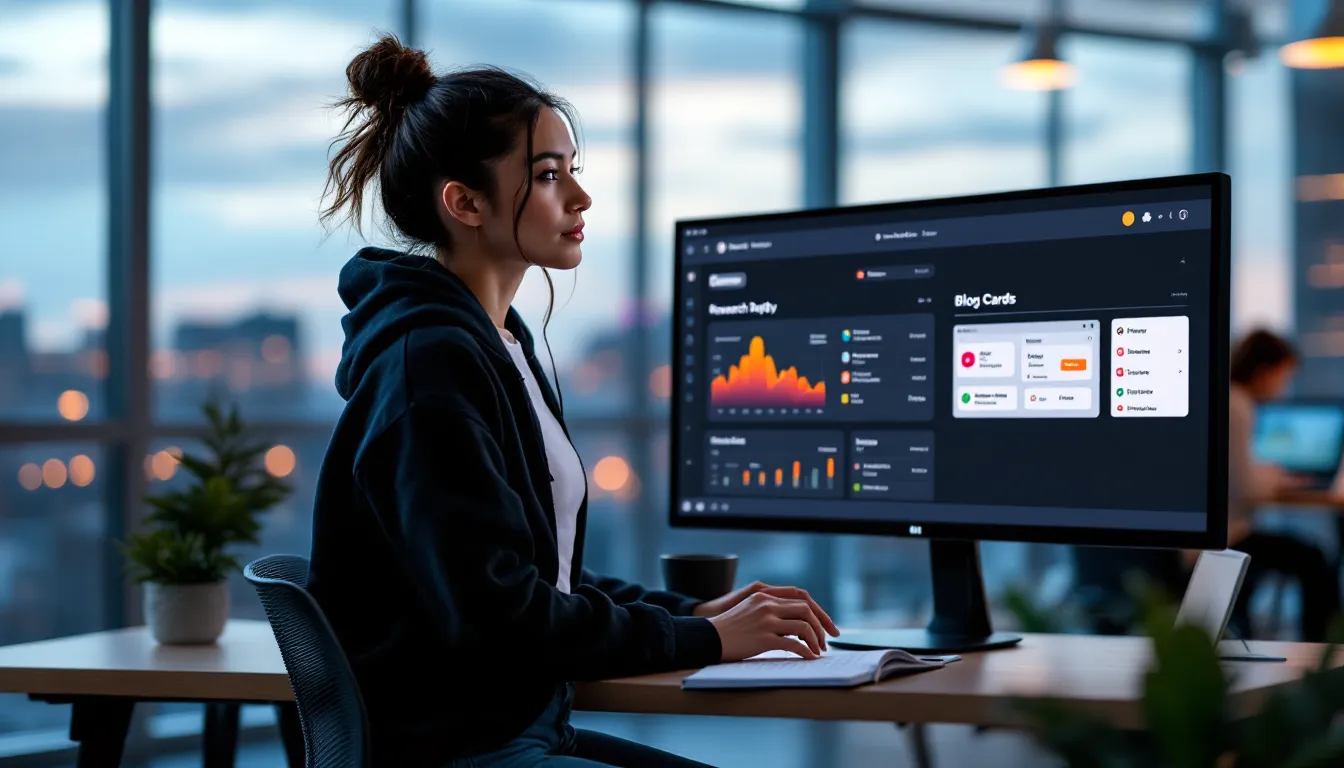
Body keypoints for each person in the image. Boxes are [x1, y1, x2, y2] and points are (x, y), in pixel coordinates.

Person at [304, 34, 840, 768]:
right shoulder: (429, 368)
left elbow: (534, 574)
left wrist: (685, 611)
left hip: (525, 726)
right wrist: (708, 641)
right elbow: (499, 618)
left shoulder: (499, 344)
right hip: (464, 750)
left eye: (571, 170)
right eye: (548, 175)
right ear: (464, 201)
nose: (580, 196)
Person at [1225, 329, 1341, 641]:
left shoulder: (1230, 401)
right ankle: (1321, 651)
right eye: (1284, 376)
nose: (1284, 386)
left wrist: (1270, 474)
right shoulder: (1239, 407)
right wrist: (1276, 479)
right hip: (1228, 539)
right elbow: (1248, 490)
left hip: (1223, 534)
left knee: (1306, 553)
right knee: (1312, 557)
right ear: (1264, 372)